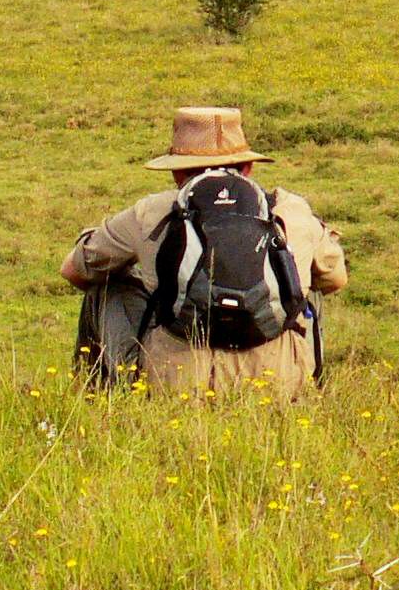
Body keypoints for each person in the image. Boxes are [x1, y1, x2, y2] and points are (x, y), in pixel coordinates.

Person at [59, 107, 346, 399]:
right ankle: (312, 393)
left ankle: (98, 403)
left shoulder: (151, 212)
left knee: (105, 289)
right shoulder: (290, 210)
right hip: (276, 383)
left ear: (177, 171)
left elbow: (74, 270)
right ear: (248, 168)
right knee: (307, 291)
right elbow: (335, 280)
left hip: (176, 383)